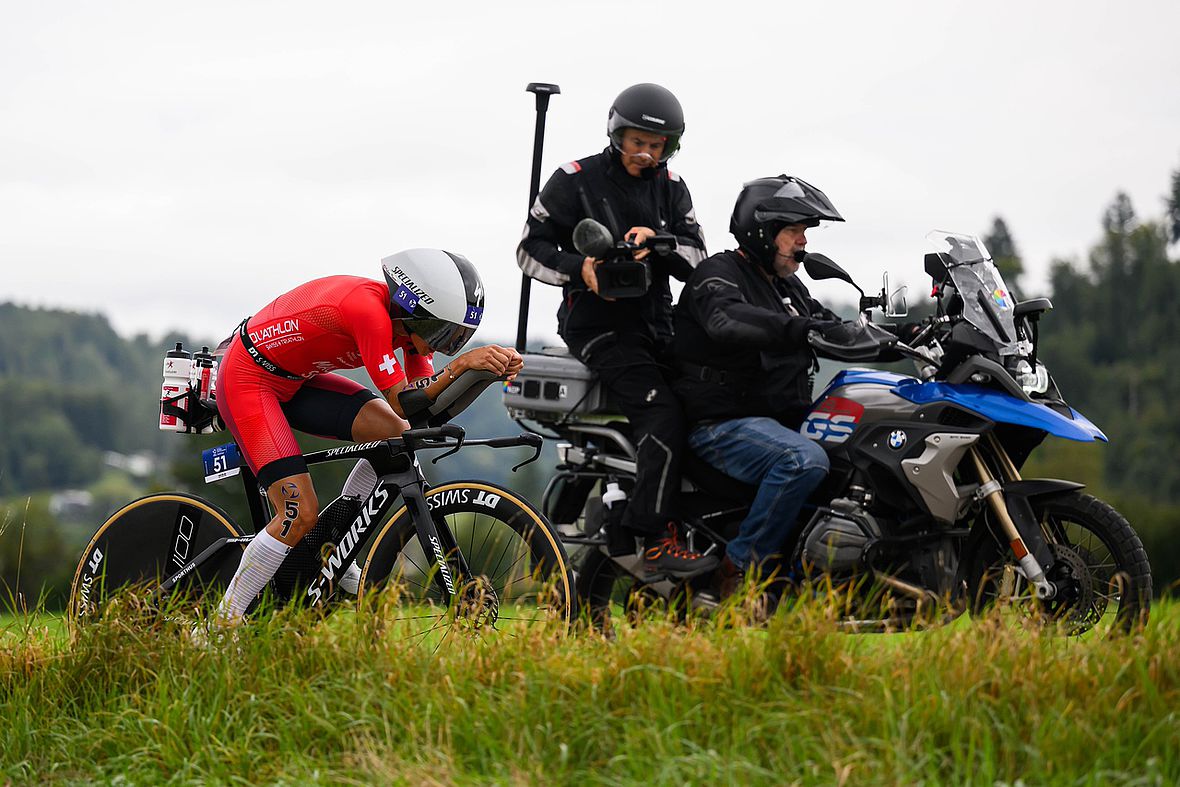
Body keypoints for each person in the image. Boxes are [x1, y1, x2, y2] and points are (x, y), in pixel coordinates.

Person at [211, 248, 522, 627]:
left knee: (396, 434)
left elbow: (420, 408)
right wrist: (461, 365)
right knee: (298, 512)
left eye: (455, 339)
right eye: (440, 333)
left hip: (294, 381)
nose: (439, 347)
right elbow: (404, 401)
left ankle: (338, 545)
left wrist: (484, 375)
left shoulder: (408, 331)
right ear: (411, 311)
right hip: (248, 378)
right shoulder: (369, 312)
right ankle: (219, 627)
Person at [516, 83, 715, 577]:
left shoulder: (673, 187)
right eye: (636, 141)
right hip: (596, 326)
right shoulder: (573, 178)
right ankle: (645, 534)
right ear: (615, 133)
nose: (646, 153)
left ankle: (693, 523)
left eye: (658, 144)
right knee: (662, 416)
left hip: (659, 324)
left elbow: (699, 259)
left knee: (710, 402)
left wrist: (660, 242)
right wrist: (579, 268)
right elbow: (527, 250)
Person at [671, 175, 846, 595]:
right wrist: (801, 330)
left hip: (772, 421)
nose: (802, 242)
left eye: (804, 232)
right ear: (762, 231)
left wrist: (904, 333)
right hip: (719, 423)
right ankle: (738, 570)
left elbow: (825, 324)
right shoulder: (717, 274)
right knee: (804, 461)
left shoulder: (787, 286)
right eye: (793, 231)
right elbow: (726, 319)